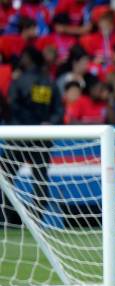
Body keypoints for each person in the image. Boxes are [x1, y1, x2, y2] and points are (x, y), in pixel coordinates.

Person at [1, 46, 63, 225]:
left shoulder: (19, 81)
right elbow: (59, 110)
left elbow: (12, 108)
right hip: (42, 139)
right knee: (40, 178)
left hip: (20, 137)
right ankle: (35, 219)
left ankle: (8, 216)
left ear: (29, 59)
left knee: (5, 176)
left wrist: (23, 126)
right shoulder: (49, 82)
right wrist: (47, 123)